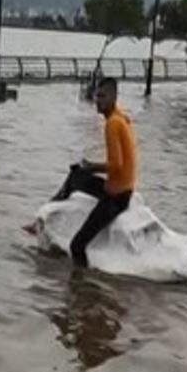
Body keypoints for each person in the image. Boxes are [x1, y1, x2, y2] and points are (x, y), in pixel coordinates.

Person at [49, 77, 139, 268]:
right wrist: (86, 168)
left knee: (77, 246)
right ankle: (48, 212)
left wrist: (91, 166)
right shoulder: (121, 116)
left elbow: (116, 165)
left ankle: (82, 287)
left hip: (116, 197)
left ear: (114, 97)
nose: (98, 100)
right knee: (76, 175)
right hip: (120, 188)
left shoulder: (113, 124)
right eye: (97, 96)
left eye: (103, 96)